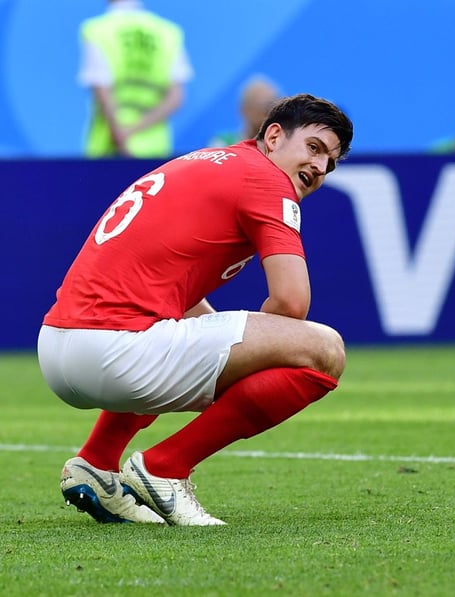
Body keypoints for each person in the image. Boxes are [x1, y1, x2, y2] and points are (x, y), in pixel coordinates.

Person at [39, 93, 354, 526]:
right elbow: (291, 303)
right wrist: (252, 368)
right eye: (315, 148)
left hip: (58, 346)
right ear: (275, 136)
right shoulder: (266, 179)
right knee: (325, 351)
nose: (320, 168)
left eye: (330, 163)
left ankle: (96, 463)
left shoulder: (212, 160)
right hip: (113, 353)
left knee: (191, 338)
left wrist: (234, 353)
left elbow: (176, 299)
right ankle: (165, 467)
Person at [78, 0, 193, 158]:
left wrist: (121, 136)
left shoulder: (98, 30)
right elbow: (176, 98)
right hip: (154, 149)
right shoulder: (168, 33)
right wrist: (133, 131)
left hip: (109, 148)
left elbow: (102, 91)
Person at [209, 76, 281, 147]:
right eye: (261, 105)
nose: (267, 114)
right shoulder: (223, 144)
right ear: (244, 109)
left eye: (271, 105)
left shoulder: (280, 145)